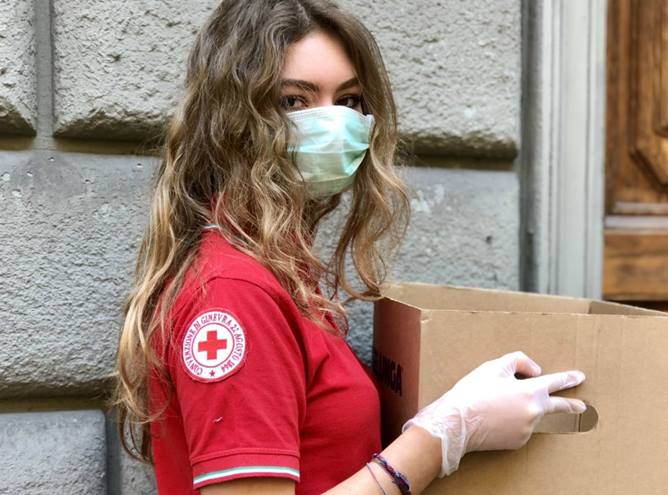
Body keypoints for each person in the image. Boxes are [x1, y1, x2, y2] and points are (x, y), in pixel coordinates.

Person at [112, 1, 587, 494]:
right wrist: (444, 435)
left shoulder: (280, 273)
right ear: (232, 120)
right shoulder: (234, 292)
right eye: (294, 101)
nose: (334, 121)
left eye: (350, 100)